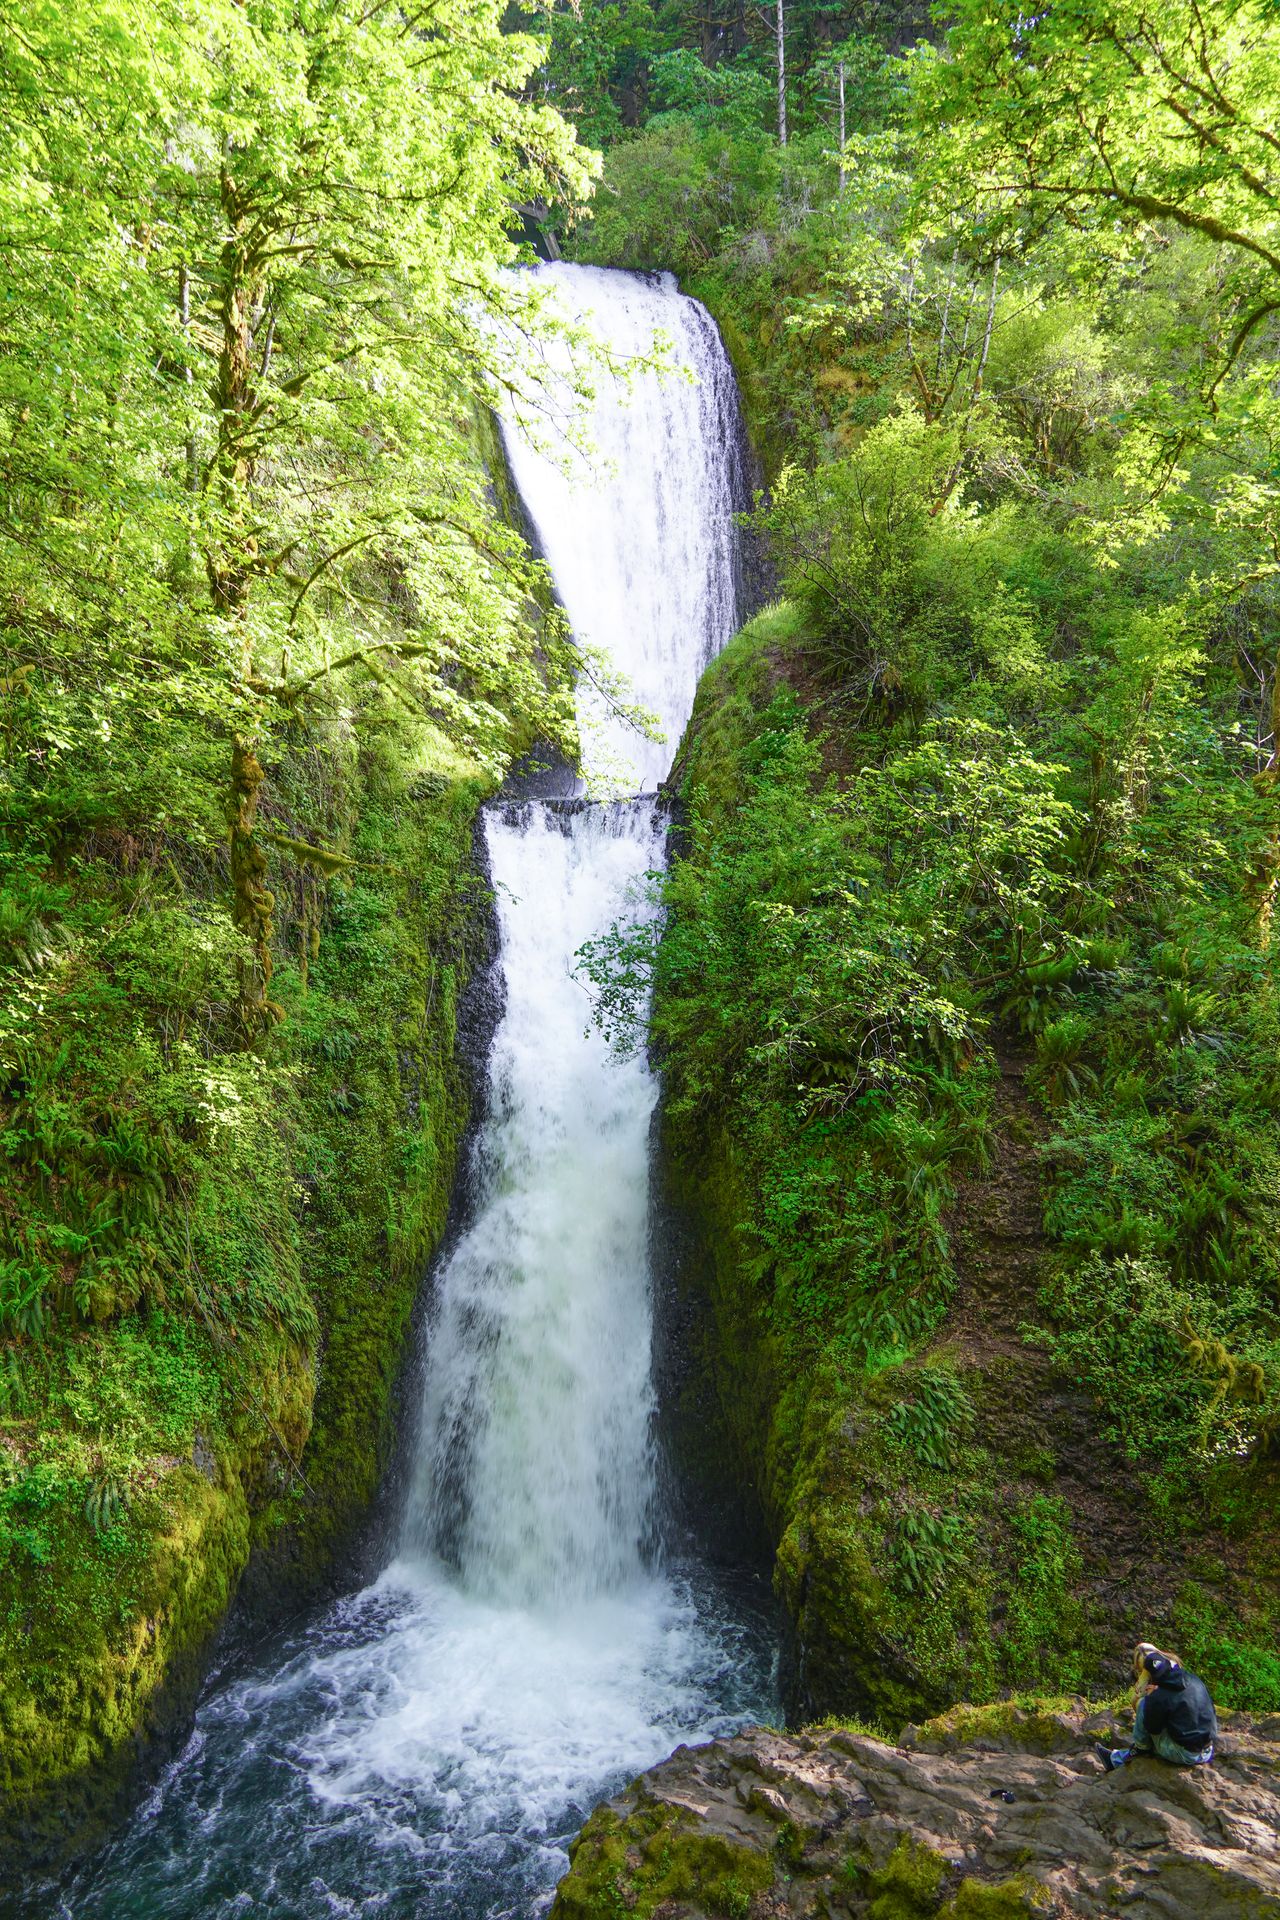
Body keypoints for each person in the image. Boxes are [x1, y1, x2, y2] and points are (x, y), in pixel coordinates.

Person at [1097, 1641, 1217, 1771]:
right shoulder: (1194, 1680)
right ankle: (1117, 1758)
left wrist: (1150, 1699)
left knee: (1144, 1705)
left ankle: (1137, 1750)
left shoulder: (1158, 1696)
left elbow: (1153, 1729)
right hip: (1207, 1749)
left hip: (1186, 1755)